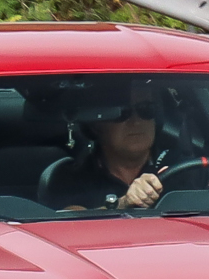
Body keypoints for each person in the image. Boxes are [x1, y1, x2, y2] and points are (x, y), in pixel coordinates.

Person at [40, 82, 177, 211]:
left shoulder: (184, 169)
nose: (136, 121)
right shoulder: (70, 178)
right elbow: (71, 225)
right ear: (96, 125)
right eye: (122, 113)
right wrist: (123, 204)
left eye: (146, 110)